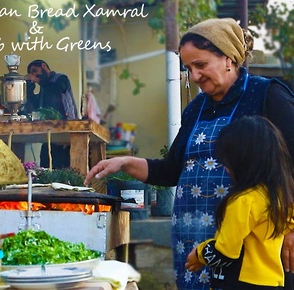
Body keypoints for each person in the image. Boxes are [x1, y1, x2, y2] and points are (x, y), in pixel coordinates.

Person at [83, 18, 294, 290]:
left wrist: (290, 226)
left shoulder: (266, 94)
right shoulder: (196, 108)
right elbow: (172, 169)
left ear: (228, 58)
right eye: (189, 68)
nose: (194, 76)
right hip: (193, 237)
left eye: (201, 65)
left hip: (249, 243)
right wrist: (125, 162)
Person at [185, 116, 294, 289]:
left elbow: (226, 252)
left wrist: (199, 254)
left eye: (228, 161)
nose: (226, 168)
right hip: (273, 281)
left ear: (244, 161)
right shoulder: (279, 194)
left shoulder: (244, 201)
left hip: (242, 282)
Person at [23, 59, 79, 169]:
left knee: (67, 167)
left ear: (44, 66)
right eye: (32, 73)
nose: (34, 75)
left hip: (66, 132)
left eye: (35, 70)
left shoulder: (61, 78)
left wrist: (37, 80)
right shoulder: (44, 88)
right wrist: (29, 91)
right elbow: (37, 107)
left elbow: (58, 88)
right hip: (49, 133)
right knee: (46, 165)